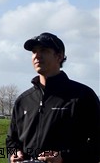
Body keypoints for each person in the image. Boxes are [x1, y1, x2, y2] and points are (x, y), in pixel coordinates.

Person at [6, 32, 100, 163]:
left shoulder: (82, 96)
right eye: (34, 52)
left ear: (59, 56)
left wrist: (64, 158)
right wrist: (14, 153)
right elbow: (11, 140)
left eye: (43, 50)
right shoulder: (23, 100)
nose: (37, 56)